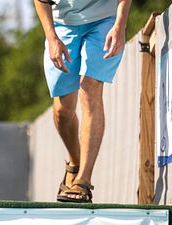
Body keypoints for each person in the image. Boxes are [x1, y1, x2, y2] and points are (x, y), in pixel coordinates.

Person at [34, 0, 131, 203]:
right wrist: (51, 38)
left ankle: (83, 180)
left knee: (91, 89)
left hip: (104, 20)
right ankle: (75, 161)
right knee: (62, 110)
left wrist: (120, 25)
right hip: (62, 24)